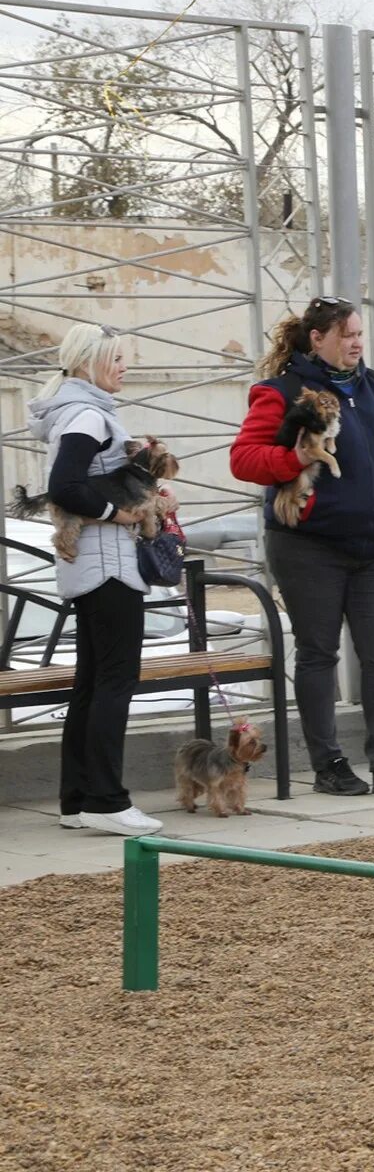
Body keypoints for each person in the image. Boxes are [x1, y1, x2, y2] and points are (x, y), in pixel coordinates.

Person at [230, 297, 374, 799]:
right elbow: (245, 459)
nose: (356, 343)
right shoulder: (280, 392)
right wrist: (294, 457)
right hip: (309, 546)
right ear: (316, 338)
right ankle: (329, 764)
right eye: (345, 334)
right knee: (318, 653)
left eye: (359, 334)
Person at [32, 324, 171, 836]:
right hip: (108, 566)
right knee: (115, 681)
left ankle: (77, 800)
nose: (123, 367)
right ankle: (108, 800)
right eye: (115, 358)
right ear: (89, 362)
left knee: (92, 684)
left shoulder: (74, 410)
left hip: (88, 565)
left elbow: (72, 482)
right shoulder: (88, 414)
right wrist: (120, 512)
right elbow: (65, 487)